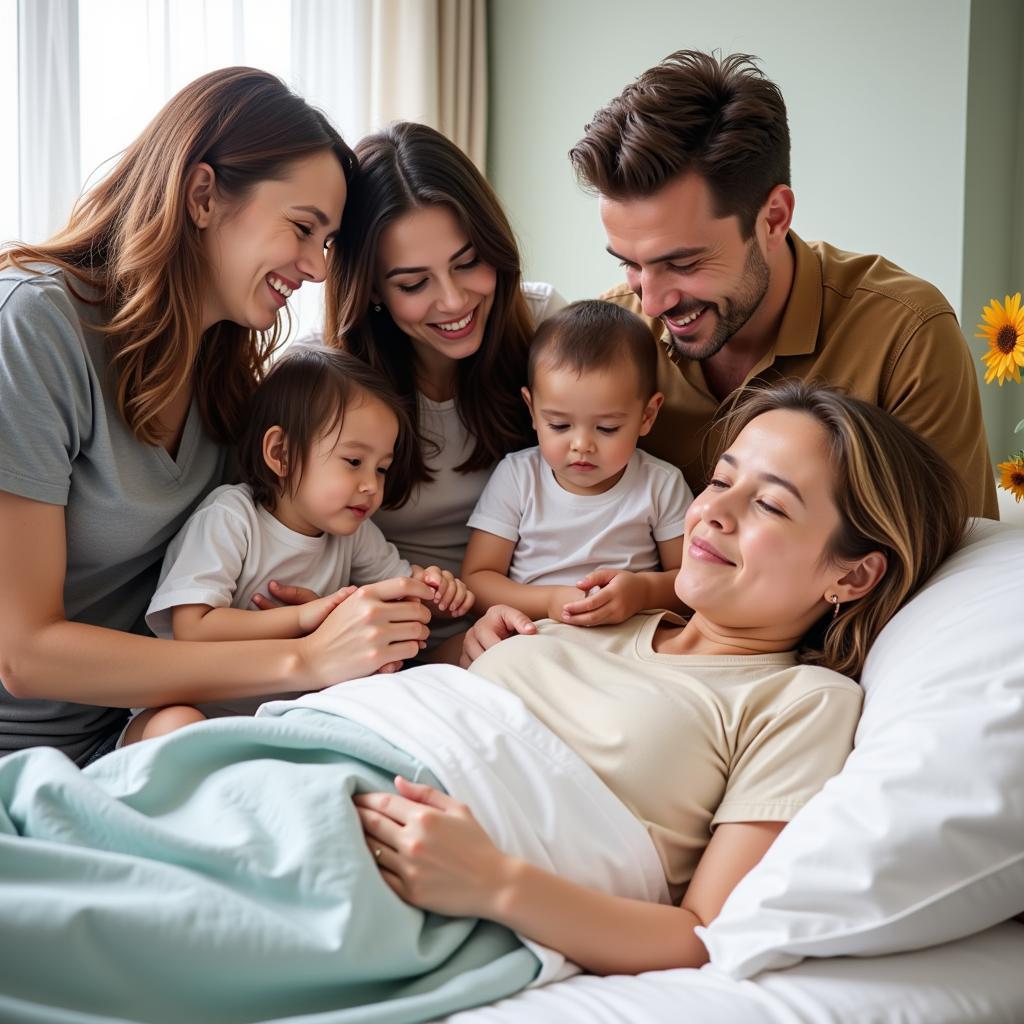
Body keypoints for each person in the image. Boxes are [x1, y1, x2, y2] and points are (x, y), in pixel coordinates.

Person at [356, 380, 969, 975]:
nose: (713, 513)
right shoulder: (607, 614)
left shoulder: (801, 701)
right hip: (335, 748)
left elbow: (702, 933)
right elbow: (419, 704)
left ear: (853, 577)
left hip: (403, 855)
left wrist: (494, 883)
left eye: (770, 504)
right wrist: (466, 649)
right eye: (722, 480)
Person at [0, 67, 437, 766]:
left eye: (328, 243)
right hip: (23, 744)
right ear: (203, 194)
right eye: (304, 228)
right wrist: (303, 658)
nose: (320, 270)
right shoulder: (34, 327)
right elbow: (24, 653)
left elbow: (266, 536)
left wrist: (326, 610)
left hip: (144, 723)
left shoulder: (225, 374)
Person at [568, 49, 998, 520]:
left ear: (773, 218)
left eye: (684, 263)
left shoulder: (904, 335)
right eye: (629, 264)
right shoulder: (610, 337)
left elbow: (958, 564)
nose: (651, 300)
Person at [126, 347, 474, 744]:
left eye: (381, 469)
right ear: (282, 454)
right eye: (353, 462)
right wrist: (305, 619)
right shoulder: (231, 517)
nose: (372, 486)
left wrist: (434, 590)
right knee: (177, 725)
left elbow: (399, 588)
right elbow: (193, 627)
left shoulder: (353, 532)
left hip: (289, 717)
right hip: (202, 706)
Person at [318, 122, 565, 656]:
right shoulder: (326, 382)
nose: (453, 302)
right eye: (413, 284)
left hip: (536, 623)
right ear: (373, 290)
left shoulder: (547, 327)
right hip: (392, 646)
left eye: (468, 262)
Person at [462, 299, 692, 625]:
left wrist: (642, 592)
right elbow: (478, 579)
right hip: (535, 632)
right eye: (559, 425)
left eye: (607, 428)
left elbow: (693, 580)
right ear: (532, 410)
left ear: (647, 415)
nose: (582, 445)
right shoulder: (518, 476)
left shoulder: (660, 483)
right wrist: (550, 600)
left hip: (631, 636)